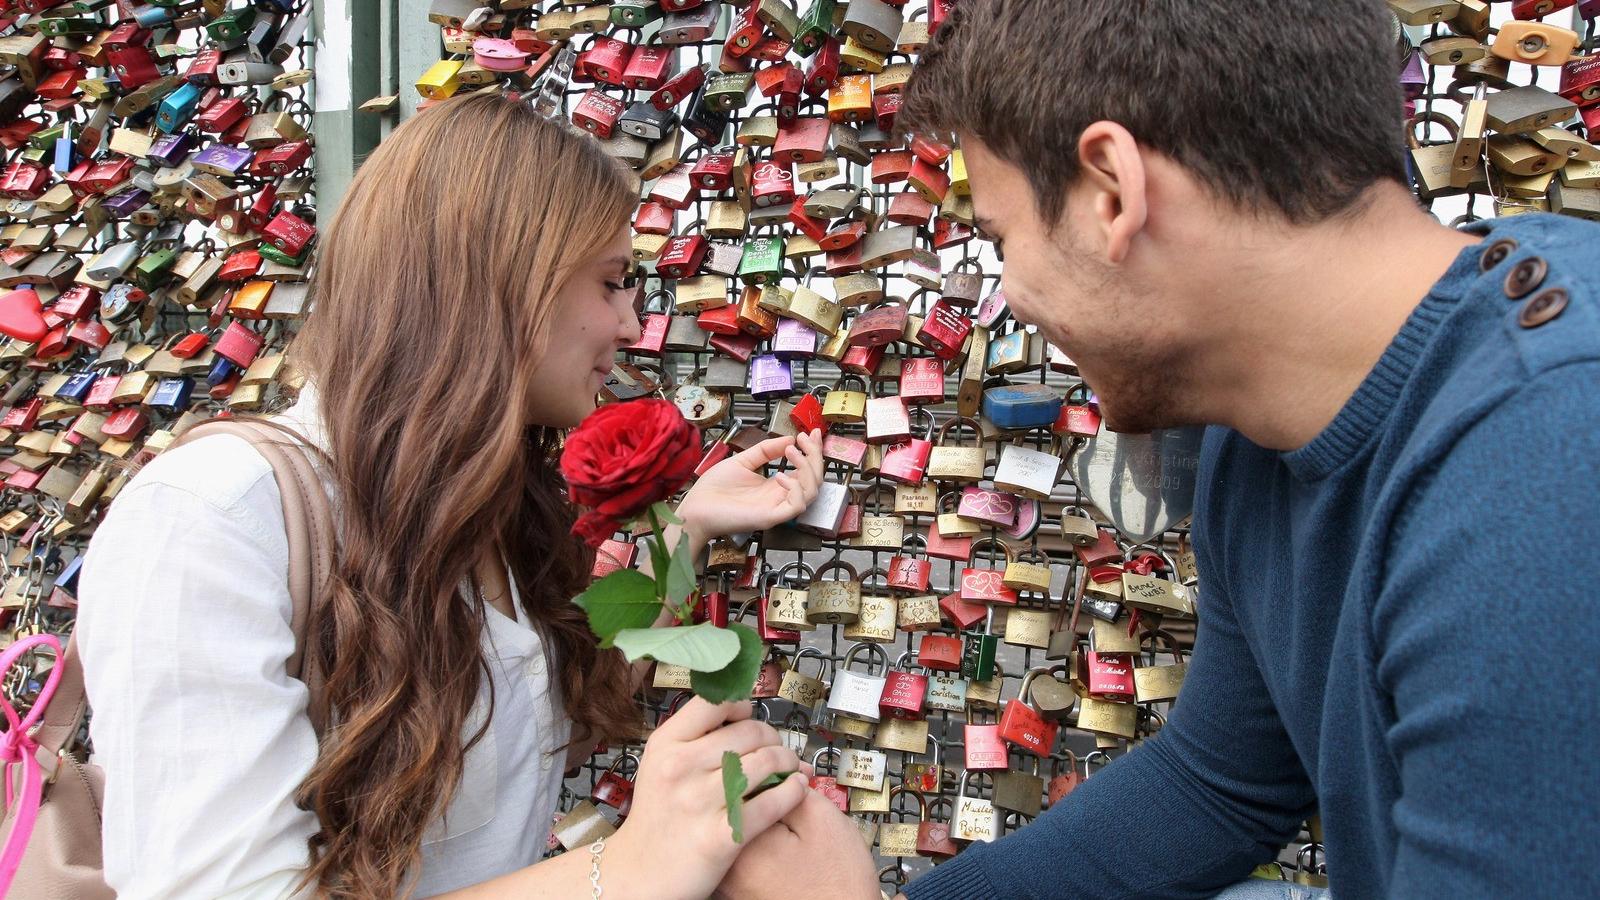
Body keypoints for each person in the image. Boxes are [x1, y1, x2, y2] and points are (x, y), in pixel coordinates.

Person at [722, 1, 1600, 898]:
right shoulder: (1263, 419)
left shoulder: (1551, 468)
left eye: (1000, 238)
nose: (1012, 294)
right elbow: (1217, 784)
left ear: (1112, 190)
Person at [76, 91, 832, 898]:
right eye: (612, 283)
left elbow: (552, 716)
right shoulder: (214, 520)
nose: (632, 325)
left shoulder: (486, 514)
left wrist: (691, 525)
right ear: (503, 279)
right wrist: (633, 867)